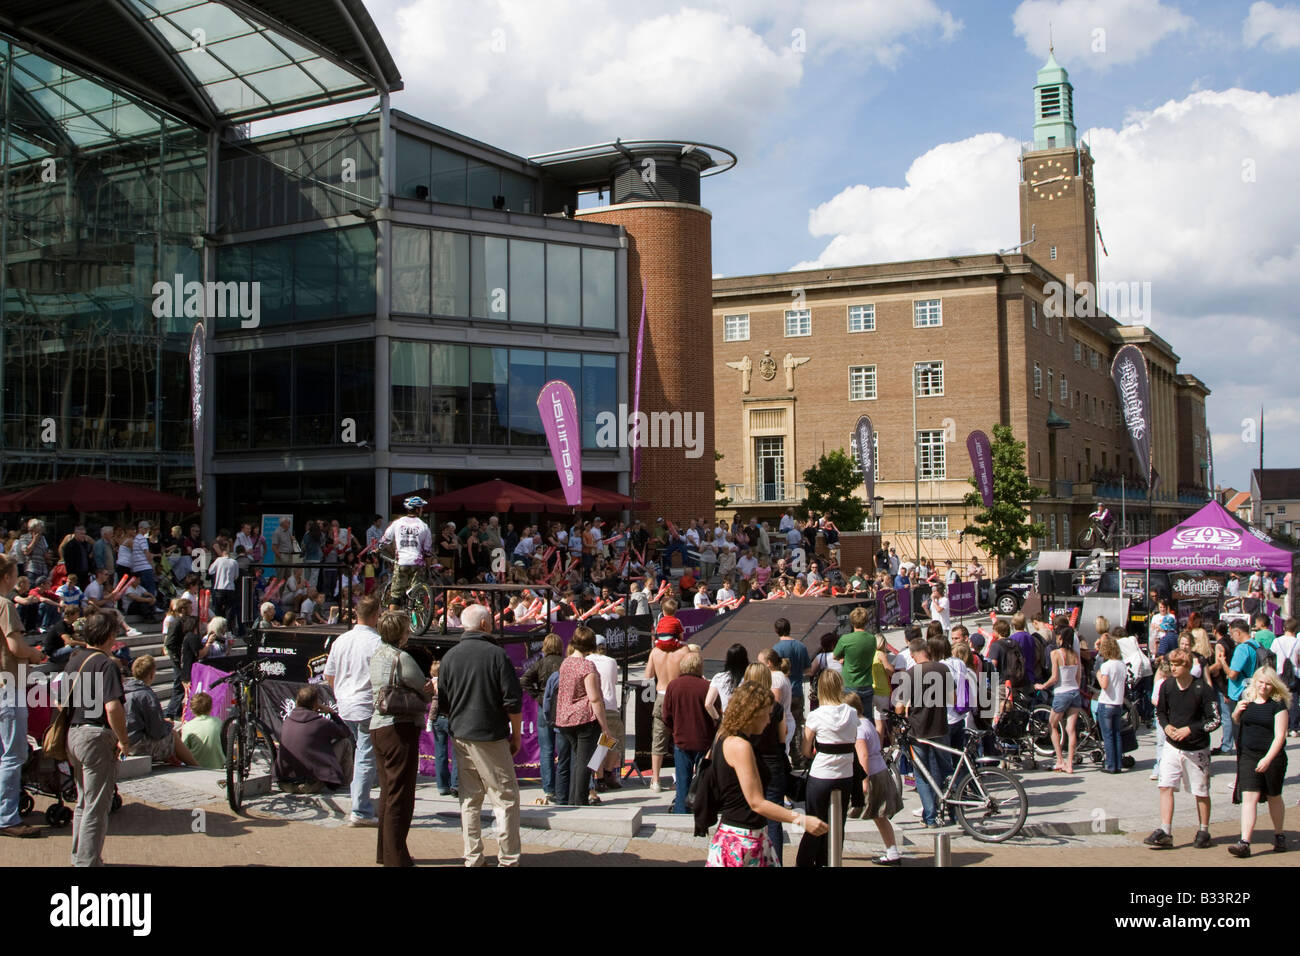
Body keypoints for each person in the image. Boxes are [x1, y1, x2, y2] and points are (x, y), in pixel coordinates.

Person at [438, 603, 523, 867]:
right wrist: (516, 735)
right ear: (486, 625)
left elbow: (443, 703)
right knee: (505, 797)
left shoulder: (450, 656)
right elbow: (513, 701)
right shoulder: (497, 655)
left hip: (461, 734)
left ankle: (472, 856)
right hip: (490, 735)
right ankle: (508, 858)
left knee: (469, 799)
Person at [710, 681, 827, 867]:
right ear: (753, 714)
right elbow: (756, 802)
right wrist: (800, 819)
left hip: (745, 836)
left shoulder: (725, 737)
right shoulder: (740, 746)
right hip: (741, 840)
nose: (768, 720)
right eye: (766, 714)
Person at [368, 610, 432, 866]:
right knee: (400, 794)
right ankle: (396, 856)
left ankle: (386, 851)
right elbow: (422, 687)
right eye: (406, 629)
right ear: (401, 632)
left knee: (388, 792)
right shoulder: (402, 657)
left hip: (377, 725)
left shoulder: (377, 654)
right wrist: (428, 689)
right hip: (398, 727)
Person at [65, 612, 130, 863]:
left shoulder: (74, 660)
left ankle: (78, 856)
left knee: (83, 803)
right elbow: (112, 707)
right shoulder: (106, 664)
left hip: (74, 732)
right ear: (110, 636)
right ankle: (87, 862)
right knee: (96, 807)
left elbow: (63, 702)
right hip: (95, 734)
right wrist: (123, 740)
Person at [1144, 649, 1221, 849]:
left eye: (1177, 665)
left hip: (1196, 748)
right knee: (1165, 785)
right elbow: (1160, 711)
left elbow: (1215, 720)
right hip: (1172, 745)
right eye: (1171, 664)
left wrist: (1191, 730)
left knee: (1201, 791)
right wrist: (1166, 726)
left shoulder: (1202, 689)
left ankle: (1204, 830)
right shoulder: (1167, 686)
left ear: (1187, 666)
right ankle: (1165, 830)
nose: (1173, 668)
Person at [323, 594, 383, 826]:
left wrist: (341, 693)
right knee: (365, 756)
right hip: (366, 705)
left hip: (347, 705)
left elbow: (329, 675)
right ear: (376, 615)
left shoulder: (341, 641)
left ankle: (365, 799)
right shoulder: (377, 643)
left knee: (364, 753)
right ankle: (360, 809)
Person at [1, 554, 45, 837]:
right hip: (8, 688)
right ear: (6, 576)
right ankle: (6, 818)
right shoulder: (4, 605)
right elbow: (16, 647)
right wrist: (36, 655)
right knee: (12, 756)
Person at [797, 669, 858, 867]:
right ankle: (829, 860)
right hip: (845, 774)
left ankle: (805, 862)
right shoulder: (852, 713)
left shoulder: (816, 715)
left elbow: (805, 749)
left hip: (821, 774)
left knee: (814, 823)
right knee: (838, 824)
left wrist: (813, 751)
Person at [1228, 666, 1290, 857]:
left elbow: (1280, 737)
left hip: (1272, 757)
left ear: (1273, 685)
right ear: (1255, 682)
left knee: (1274, 796)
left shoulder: (1278, 705)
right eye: (1260, 682)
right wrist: (1236, 712)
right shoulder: (1246, 700)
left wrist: (1267, 759)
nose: (1263, 687)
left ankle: (1279, 834)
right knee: (1249, 797)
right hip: (1248, 754)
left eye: (1267, 684)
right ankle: (1244, 842)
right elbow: (1238, 722)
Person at [896, 636, 951, 827]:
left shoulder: (911, 674)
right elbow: (951, 696)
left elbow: (900, 707)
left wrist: (900, 710)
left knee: (921, 773)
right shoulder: (944, 669)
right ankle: (946, 809)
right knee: (940, 771)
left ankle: (930, 816)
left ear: (912, 654)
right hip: (941, 726)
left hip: (919, 728)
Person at [554, 626, 611, 806]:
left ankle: (573, 799)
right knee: (585, 764)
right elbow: (594, 698)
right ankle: (579, 802)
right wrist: (604, 726)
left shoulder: (566, 663)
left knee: (579, 762)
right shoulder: (587, 665)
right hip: (584, 718)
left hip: (565, 719)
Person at [846, 691, 903, 864]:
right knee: (879, 816)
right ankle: (892, 852)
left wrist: (863, 781)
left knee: (839, 810)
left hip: (871, 776)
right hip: (879, 771)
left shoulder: (858, 728)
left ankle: (828, 847)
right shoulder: (866, 723)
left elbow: (862, 755)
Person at [644, 597, 691, 791]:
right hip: (679, 696)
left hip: (662, 695)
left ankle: (655, 780)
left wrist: (648, 700)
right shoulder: (684, 650)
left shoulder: (655, 653)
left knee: (659, 739)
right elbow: (693, 675)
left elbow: (647, 678)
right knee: (683, 738)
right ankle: (683, 777)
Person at [743, 661, 788, 862]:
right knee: (774, 818)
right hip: (772, 765)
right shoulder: (775, 707)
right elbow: (782, 738)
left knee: (747, 815)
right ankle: (775, 860)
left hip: (749, 764)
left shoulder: (741, 706)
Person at [662, 651, 715, 813]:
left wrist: (675, 730)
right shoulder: (707, 686)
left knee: (682, 783)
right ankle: (702, 811)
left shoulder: (673, 686)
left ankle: (681, 812)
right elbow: (715, 713)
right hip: (703, 740)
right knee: (703, 781)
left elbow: (666, 715)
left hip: (681, 739)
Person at [124, 655, 199, 766]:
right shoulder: (146, 695)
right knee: (173, 733)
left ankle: (175, 759)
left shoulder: (125, 690)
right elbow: (157, 731)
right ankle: (194, 765)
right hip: (136, 744)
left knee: (171, 728)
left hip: (125, 738)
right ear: (151, 674)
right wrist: (167, 725)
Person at [276, 685, 351, 793]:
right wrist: (332, 713)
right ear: (316, 704)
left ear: (297, 701)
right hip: (308, 785)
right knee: (345, 743)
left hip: (284, 783)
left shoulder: (288, 720)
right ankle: (345, 787)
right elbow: (345, 732)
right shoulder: (320, 723)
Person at [521, 632, 564, 802]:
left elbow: (523, 680)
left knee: (546, 750)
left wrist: (538, 696)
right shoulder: (564, 663)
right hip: (561, 708)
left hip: (544, 708)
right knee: (562, 750)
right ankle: (561, 785)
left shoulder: (540, 663)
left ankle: (549, 788)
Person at [1035, 625, 1085, 773]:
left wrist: (1043, 686)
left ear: (1061, 638)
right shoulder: (1075, 655)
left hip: (1061, 693)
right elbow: (1079, 677)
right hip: (1075, 692)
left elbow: (1055, 677)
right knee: (1071, 729)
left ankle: (1059, 760)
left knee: (1052, 725)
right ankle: (1070, 763)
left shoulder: (1056, 654)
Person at [380, 497, 433, 609]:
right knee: (417, 597)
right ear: (417, 510)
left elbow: (385, 539)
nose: (422, 510)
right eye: (421, 508)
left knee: (396, 595)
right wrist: (428, 567)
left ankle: (392, 623)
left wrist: (377, 548)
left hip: (402, 562)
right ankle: (417, 623)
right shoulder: (424, 526)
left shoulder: (397, 523)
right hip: (417, 563)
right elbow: (427, 551)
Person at [772, 617, 812, 765]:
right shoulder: (801, 646)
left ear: (776, 631)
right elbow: (808, 670)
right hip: (797, 691)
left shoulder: (776, 649)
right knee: (797, 724)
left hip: (782, 691)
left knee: (783, 725)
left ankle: (787, 755)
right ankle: (798, 757)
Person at [589, 635, 624, 792]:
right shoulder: (611, 661)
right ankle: (607, 773)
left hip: (593, 707)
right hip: (609, 705)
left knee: (600, 745)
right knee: (614, 742)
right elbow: (614, 680)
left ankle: (601, 777)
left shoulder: (587, 660)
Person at [833, 606, 877, 715]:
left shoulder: (845, 639)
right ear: (866, 621)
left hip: (850, 683)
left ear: (852, 621)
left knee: (849, 718)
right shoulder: (872, 639)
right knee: (867, 718)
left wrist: (842, 658)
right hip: (866, 683)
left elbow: (835, 656)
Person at [1094, 634, 1128, 774]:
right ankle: (1118, 764)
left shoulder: (1106, 666)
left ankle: (1110, 765)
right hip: (1118, 703)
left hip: (1106, 702)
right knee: (1116, 734)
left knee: (1107, 735)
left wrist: (1098, 674)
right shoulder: (1121, 664)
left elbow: (1104, 685)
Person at [427, 660, 458, 796]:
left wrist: (430, 720)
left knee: (440, 752)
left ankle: (442, 785)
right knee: (457, 752)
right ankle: (455, 784)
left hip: (437, 720)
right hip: (448, 717)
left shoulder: (431, 684)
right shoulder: (445, 683)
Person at [180, 692, 225, 769]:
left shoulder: (187, 726)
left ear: (191, 709)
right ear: (211, 708)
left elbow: (184, 750)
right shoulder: (218, 722)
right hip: (218, 765)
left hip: (195, 766)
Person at [705, 643, 748, 720]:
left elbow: (708, 704)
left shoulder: (718, 678)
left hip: (727, 722)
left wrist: (718, 719)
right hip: (746, 723)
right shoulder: (750, 677)